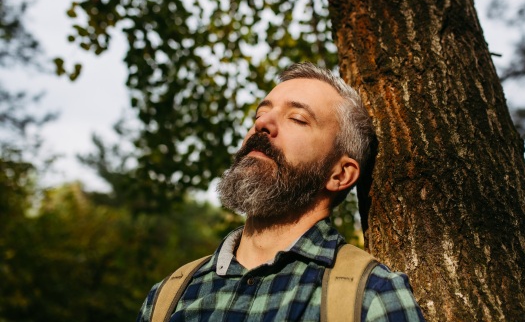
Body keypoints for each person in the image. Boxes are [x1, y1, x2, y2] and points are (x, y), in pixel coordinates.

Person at [136, 62, 425, 322]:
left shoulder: (373, 298)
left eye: (298, 118)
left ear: (339, 174)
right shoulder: (166, 299)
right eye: (261, 114)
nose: (261, 124)